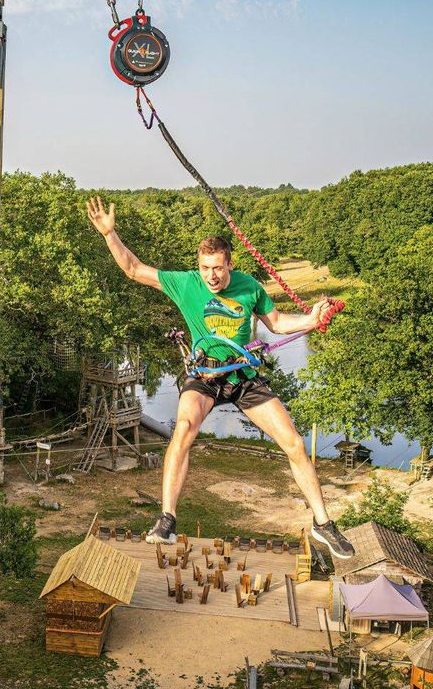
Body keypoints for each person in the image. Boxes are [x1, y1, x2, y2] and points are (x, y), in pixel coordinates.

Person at [85, 196, 355, 558]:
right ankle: (166, 519)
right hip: (206, 373)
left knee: (293, 441)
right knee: (183, 428)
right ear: (198, 266)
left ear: (230, 264)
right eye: (205, 267)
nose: (211, 275)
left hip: (242, 375)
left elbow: (277, 324)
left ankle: (323, 525)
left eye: (218, 268)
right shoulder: (186, 284)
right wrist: (109, 234)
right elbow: (134, 269)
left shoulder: (249, 287)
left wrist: (311, 320)